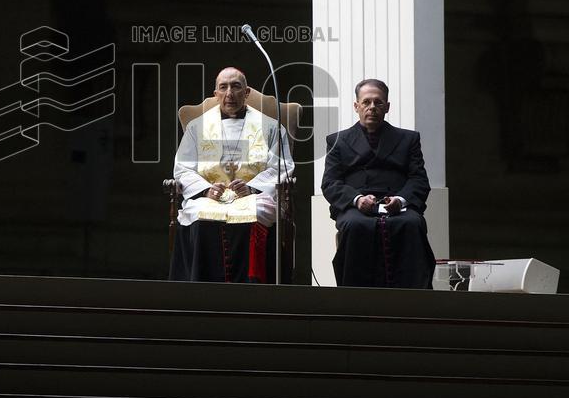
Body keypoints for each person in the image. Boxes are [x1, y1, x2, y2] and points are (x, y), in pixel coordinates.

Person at [169, 67, 294, 283]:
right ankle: (200, 289)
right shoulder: (197, 127)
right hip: (209, 198)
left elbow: (282, 167)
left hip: (254, 197)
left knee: (256, 213)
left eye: (236, 86)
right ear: (215, 94)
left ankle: (253, 289)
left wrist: (252, 188)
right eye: (223, 87)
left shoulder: (271, 127)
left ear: (246, 92)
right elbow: (183, 168)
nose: (229, 93)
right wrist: (205, 190)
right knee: (200, 217)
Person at [321, 78, 435, 288]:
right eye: (366, 102)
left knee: (412, 223)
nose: (372, 107)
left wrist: (401, 200)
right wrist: (357, 199)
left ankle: (414, 300)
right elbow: (330, 182)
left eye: (378, 102)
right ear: (356, 106)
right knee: (355, 225)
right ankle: (355, 298)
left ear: (387, 107)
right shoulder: (337, 141)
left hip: (398, 206)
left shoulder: (408, 139)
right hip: (357, 207)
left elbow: (419, 179)